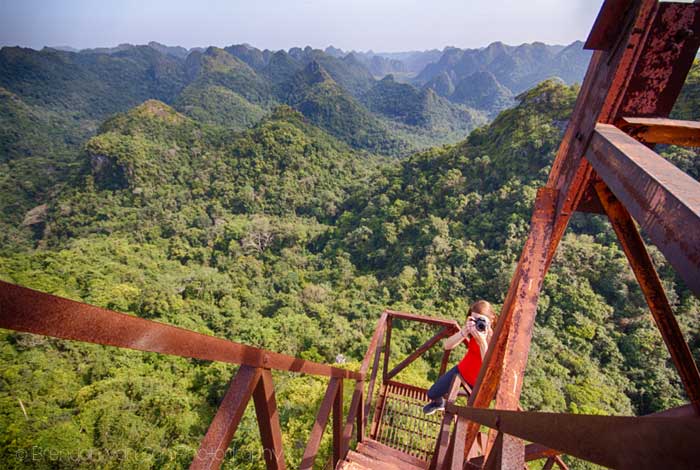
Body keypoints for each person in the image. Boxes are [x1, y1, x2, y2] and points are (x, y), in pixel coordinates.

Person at [422, 300, 496, 415]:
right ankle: (439, 404)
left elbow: (488, 366)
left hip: (480, 381)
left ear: (491, 320)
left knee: (471, 415)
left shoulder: (496, 338)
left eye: (481, 320)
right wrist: (463, 332)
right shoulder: (473, 330)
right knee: (432, 393)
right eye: (474, 319)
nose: (478, 323)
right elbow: (447, 346)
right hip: (463, 370)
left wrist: (482, 342)